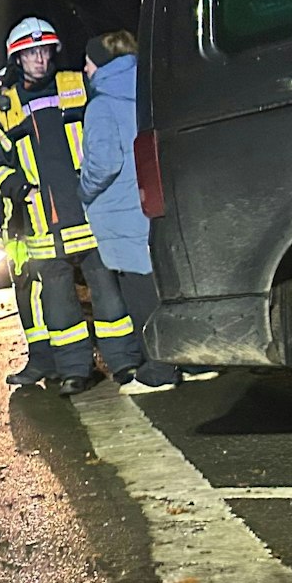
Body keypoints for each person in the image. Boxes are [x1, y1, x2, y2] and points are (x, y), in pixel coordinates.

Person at [0, 17, 147, 395]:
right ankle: (75, 370)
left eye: (44, 52)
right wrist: (16, 187)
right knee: (58, 302)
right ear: (17, 59)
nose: (40, 60)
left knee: (108, 292)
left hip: (89, 212)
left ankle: (124, 361)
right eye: (31, 54)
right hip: (41, 221)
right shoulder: (5, 106)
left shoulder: (77, 84)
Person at [79, 30, 220, 395]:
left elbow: (103, 163)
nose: (85, 69)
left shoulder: (102, 105)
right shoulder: (151, 91)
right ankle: (194, 360)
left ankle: (158, 368)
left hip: (121, 210)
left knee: (141, 293)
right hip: (157, 200)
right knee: (169, 286)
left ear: (103, 64)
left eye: (89, 62)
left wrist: (84, 189)